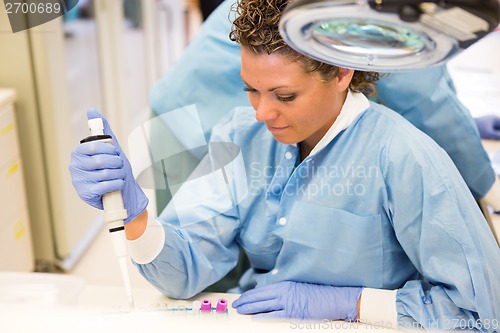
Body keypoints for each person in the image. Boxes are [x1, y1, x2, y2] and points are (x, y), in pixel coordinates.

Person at [69, 0, 500, 330]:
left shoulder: (403, 157)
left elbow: (482, 312)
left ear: (342, 73)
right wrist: (137, 216)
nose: (260, 113)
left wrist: (353, 304)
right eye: (251, 91)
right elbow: (185, 274)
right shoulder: (241, 135)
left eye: (285, 96)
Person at [149, 0, 500, 212]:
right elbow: (422, 97)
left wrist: (464, 120)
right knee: (211, 285)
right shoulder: (373, 10)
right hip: (193, 128)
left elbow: (420, 69)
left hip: (186, 107)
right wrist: (490, 189)